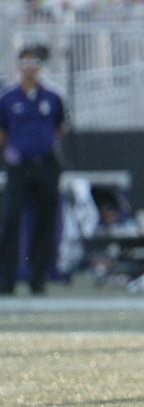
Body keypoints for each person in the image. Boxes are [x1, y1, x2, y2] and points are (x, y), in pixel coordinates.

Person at [0, 45, 67, 295]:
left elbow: (60, 127)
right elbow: (3, 131)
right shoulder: (7, 98)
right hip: (19, 166)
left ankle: (37, 280)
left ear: (41, 66)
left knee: (46, 222)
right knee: (10, 220)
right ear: (19, 66)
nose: (30, 69)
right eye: (25, 63)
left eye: (35, 63)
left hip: (46, 164)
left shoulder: (53, 97)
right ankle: (6, 281)